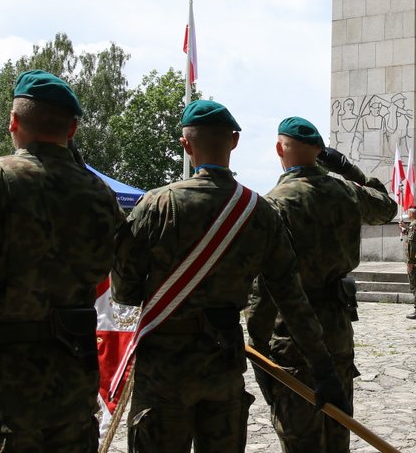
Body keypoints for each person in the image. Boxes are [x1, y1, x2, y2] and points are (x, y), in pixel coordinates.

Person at [112, 101, 348, 453]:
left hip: (164, 368)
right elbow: (291, 298)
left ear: (185, 144)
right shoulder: (259, 212)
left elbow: (126, 292)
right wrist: (323, 369)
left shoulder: (156, 205)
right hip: (221, 364)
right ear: (235, 142)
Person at [0, 71, 125, 453]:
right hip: (73, 394)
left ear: (14, 122)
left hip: (1, 398)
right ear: (74, 128)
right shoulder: (99, 194)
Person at [246, 117, 397, 453]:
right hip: (337, 329)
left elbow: (262, 289)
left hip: (291, 336)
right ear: (320, 153)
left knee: (301, 437)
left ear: (278, 150)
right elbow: (387, 207)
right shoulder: (346, 191)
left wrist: (258, 348)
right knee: (337, 428)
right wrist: (351, 171)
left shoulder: (273, 204)